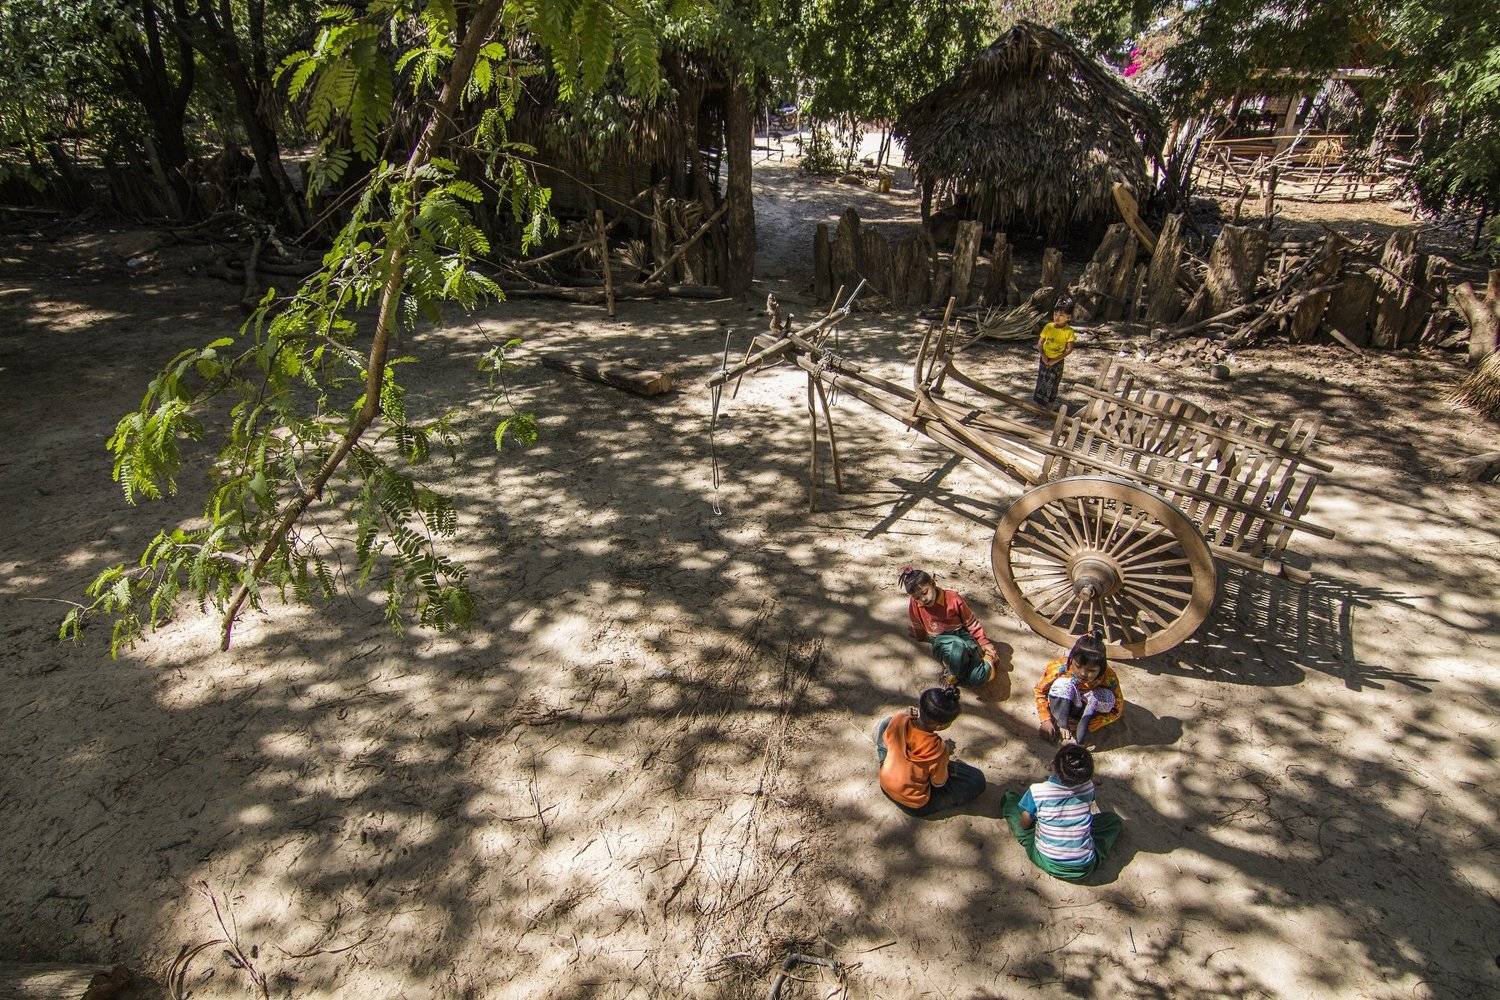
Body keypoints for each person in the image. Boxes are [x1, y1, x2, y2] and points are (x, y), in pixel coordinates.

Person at [1001, 743, 1123, 881]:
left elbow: (1024, 824)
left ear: (1054, 764)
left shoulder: (1037, 791)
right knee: (1112, 820)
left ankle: (1008, 799)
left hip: (1047, 861)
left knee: (1010, 800)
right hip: (1084, 867)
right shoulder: (1089, 787)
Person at [874, 686, 986, 816]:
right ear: (941, 726)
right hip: (914, 805)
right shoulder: (939, 750)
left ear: (920, 708)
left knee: (887, 722)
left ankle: (885, 760)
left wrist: (906, 716)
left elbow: (898, 727)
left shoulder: (899, 719)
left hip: (885, 786)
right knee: (977, 779)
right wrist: (944, 757)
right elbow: (938, 783)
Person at [900, 566, 1000, 688]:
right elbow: (917, 622)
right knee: (955, 648)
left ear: (933, 583)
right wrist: (919, 635)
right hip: (941, 641)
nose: (923, 599)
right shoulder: (915, 604)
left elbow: (971, 622)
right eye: (917, 598)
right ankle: (953, 672)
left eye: (925, 592)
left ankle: (987, 660)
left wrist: (984, 642)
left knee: (976, 678)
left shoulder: (953, 598)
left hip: (962, 637)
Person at [1033, 629, 1124, 744]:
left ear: (1101, 669)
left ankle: (1082, 722)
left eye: (1092, 670)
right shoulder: (1060, 667)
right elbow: (1040, 690)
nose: (1083, 673)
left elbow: (1117, 710)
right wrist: (1045, 719)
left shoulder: (1109, 677)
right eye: (1078, 665)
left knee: (1107, 697)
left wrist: (1091, 724)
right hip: (1065, 703)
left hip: (1087, 708)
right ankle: (1062, 721)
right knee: (1062, 685)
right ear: (1071, 659)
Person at [1033, 300, 1077, 409]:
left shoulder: (1069, 331)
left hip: (1057, 361)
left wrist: (1055, 360)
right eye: (1055, 314)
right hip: (1044, 359)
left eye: (1061, 315)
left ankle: (1049, 405)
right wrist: (1043, 356)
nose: (1057, 317)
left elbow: (1069, 349)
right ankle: (1038, 405)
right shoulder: (1048, 327)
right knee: (1042, 380)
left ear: (1068, 317)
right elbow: (1040, 343)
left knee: (1053, 382)